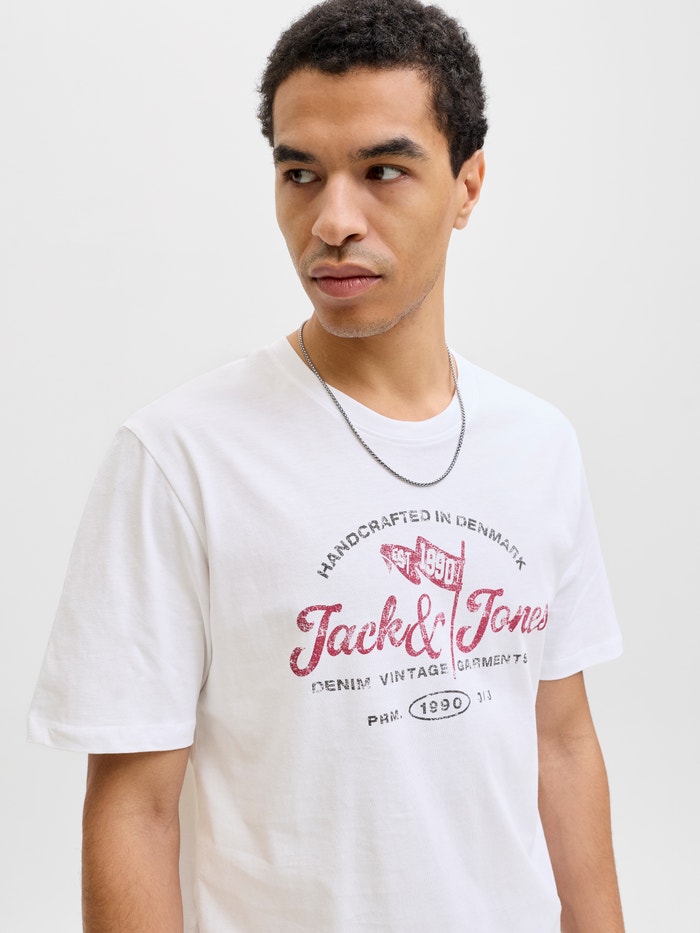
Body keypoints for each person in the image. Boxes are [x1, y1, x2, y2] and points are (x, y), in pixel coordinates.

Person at [28, 0, 625, 929]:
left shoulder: (537, 444)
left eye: (383, 171)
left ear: (468, 186)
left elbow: (560, 742)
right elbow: (135, 809)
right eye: (300, 173)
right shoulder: (180, 458)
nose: (333, 221)